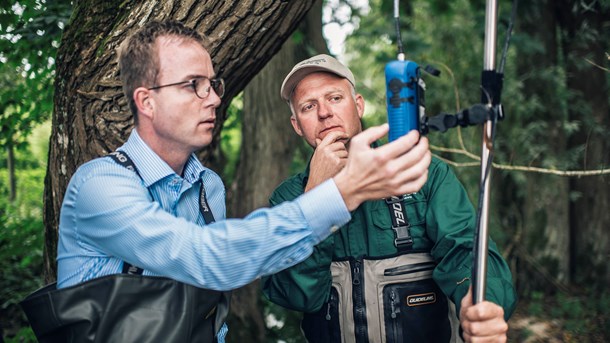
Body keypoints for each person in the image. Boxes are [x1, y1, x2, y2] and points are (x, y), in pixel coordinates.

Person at [25, 21, 432, 343]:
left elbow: (220, 298)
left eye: (213, 84)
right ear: (146, 102)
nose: (215, 98)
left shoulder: (209, 188)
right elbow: (206, 259)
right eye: (193, 85)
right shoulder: (99, 186)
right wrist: (342, 193)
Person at [262, 54, 518, 342]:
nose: (324, 113)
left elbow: (467, 250)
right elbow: (297, 296)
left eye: (334, 98)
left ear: (357, 105)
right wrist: (316, 197)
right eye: (309, 106)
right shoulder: (289, 198)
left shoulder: (420, 173)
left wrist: (482, 302)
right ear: (297, 125)